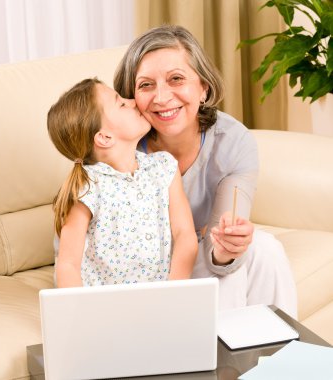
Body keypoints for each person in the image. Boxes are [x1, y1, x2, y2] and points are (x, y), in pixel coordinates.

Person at [114, 25, 298, 318]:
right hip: (139, 271)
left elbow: (219, 250)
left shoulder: (232, 142)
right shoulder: (116, 144)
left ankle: (284, 356)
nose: (161, 97)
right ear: (131, 96)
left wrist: (226, 248)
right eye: (146, 85)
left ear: (203, 87)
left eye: (176, 79)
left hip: (196, 259)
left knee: (264, 249)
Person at [47, 78, 198, 288]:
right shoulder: (87, 187)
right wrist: (79, 314)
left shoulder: (164, 168)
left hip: (160, 298)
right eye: (121, 103)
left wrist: (175, 290)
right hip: (104, 308)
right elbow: (68, 264)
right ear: (105, 138)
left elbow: (185, 235)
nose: (133, 101)